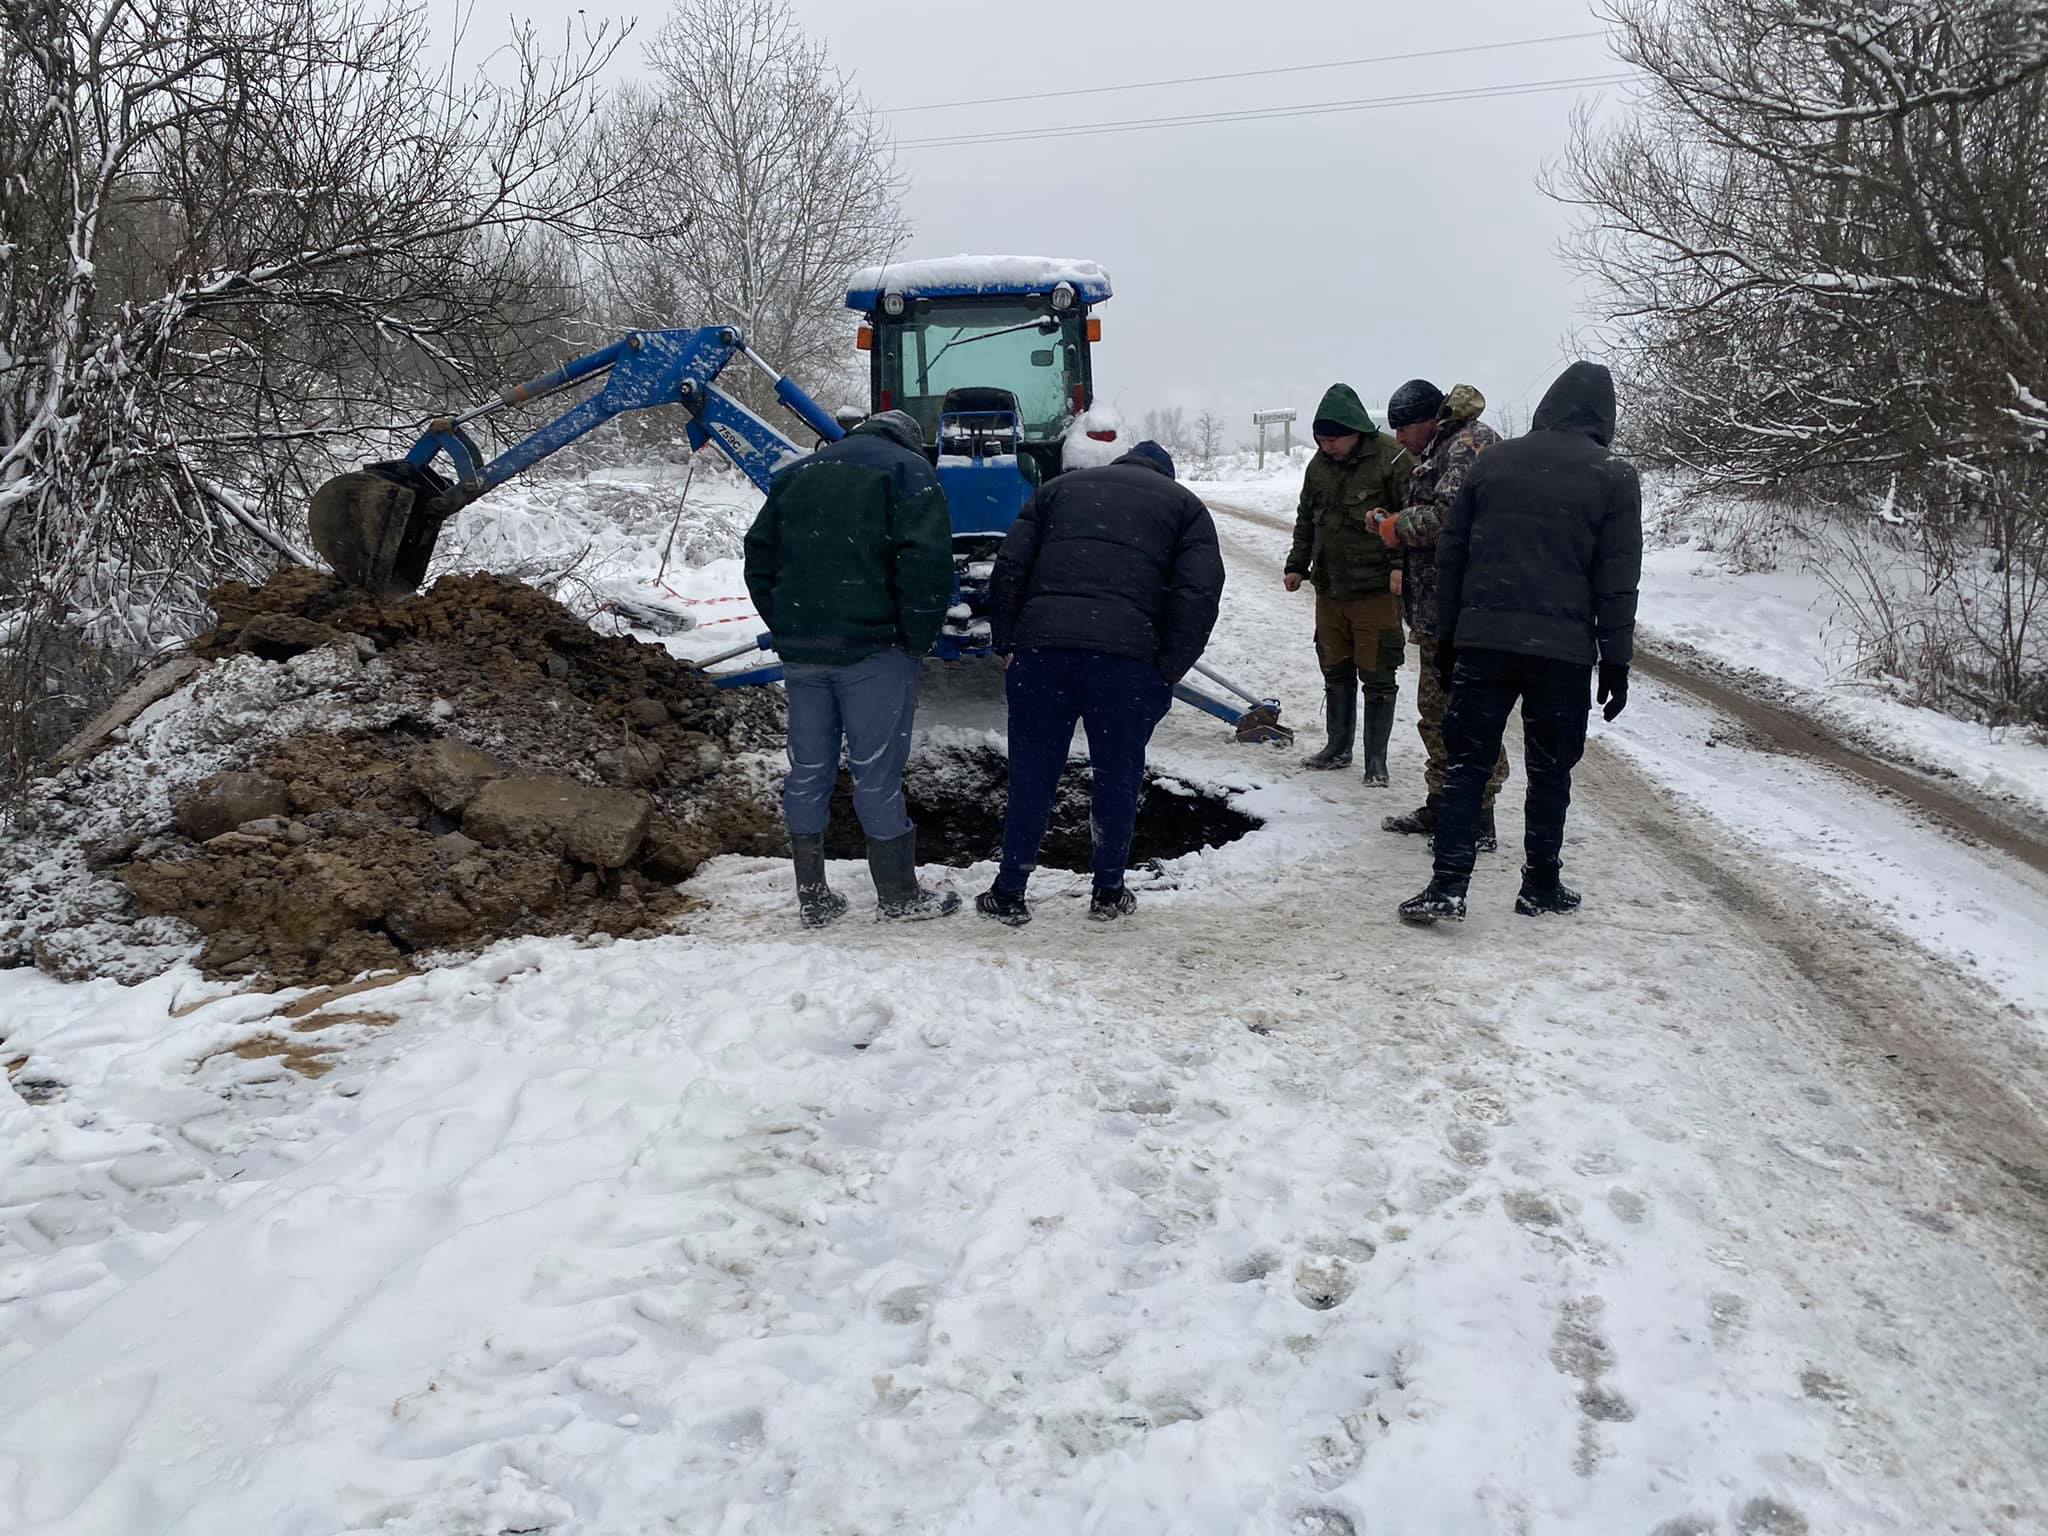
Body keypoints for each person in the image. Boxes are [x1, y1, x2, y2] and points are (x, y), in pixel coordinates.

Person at [1399, 362, 1642, 924]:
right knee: (1551, 768)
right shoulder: (1612, 475)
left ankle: (1447, 884)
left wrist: (1450, 637)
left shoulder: (1494, 461)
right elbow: (1617, 576)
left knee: (1467, 763)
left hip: (1485, 642)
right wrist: (1616, 660)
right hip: (1561, 653)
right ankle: (1541, 884)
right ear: (1604, 417)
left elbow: (1453, 554)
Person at [977, 440, 1224, 926]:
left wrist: (1007, 642)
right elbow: (1198, 597)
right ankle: (1108, 890)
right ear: (1165, 474)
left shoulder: (1058, 491)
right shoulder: (1185, 507)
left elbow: (1009, 567)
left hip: (1042, 652)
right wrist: (1167, 669)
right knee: (1118, 773)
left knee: (1033, 773)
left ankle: (1009, 890)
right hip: (1126, 663)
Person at [743, 408, 961, 927]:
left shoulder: (798, 472)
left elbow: (758, 557)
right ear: (909, 440)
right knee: (877, 772)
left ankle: (813, 896)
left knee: (809, 768)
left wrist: (788, 623)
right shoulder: (908, 472)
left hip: (802, 652)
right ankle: (898, 895)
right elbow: (927, 563)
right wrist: (916, 637)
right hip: (874, 650)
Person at [1374, 379, 1509, 849]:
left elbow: (1452, 519)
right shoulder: (1442, 447)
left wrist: (1396, 526)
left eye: (1403, 429)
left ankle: (1479, 816)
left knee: (1465, 714)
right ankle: (1443, 804)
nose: (1399, 441)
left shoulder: (1468, 446)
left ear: (1429, 419)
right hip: (1438, 610)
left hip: (1465, 612)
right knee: (1435, 711)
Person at [1285, 384, 1414, 785]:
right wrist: (1296, 564)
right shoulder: (1318, 466)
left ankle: (1376, 760)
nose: (1327, 447)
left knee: (1378, 674)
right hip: (1330, 587)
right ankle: (1338, 746)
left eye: (1334, 439)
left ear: (1356, 430)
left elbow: (1413, 518)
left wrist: (1399, 567)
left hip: (1375, 588)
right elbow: (1307, 517)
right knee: (1335, 669)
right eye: (1321, 440)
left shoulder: (1393, 459)